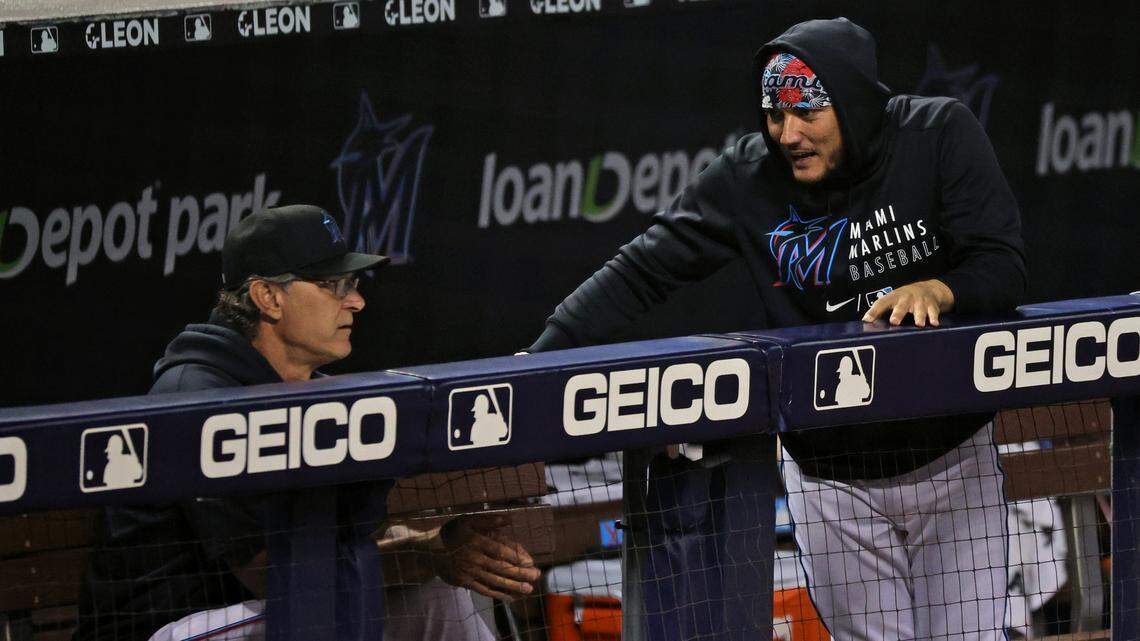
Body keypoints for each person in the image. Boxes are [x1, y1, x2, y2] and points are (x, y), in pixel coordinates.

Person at [526, 17, 1025, 641]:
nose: (787, 134)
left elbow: (1002, 265)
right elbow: (640, 271)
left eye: (805, 113)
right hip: (833, 484)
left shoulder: (937, 134)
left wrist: (941, 288)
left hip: (954, 466)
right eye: (773, 115)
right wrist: (533, 365)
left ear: (848, 99)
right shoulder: (749, 179)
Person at [77, 205, 540, 641]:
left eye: (354, 283)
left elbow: (347, 545)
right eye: (334, 285)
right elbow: (279, 576)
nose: (356, 301)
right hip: (171, 628)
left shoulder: (309, 388)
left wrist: (437, 550)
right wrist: (430, 552)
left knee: (435, 599)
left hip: (263, 612)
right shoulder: (198, 396)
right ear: (268, 297)